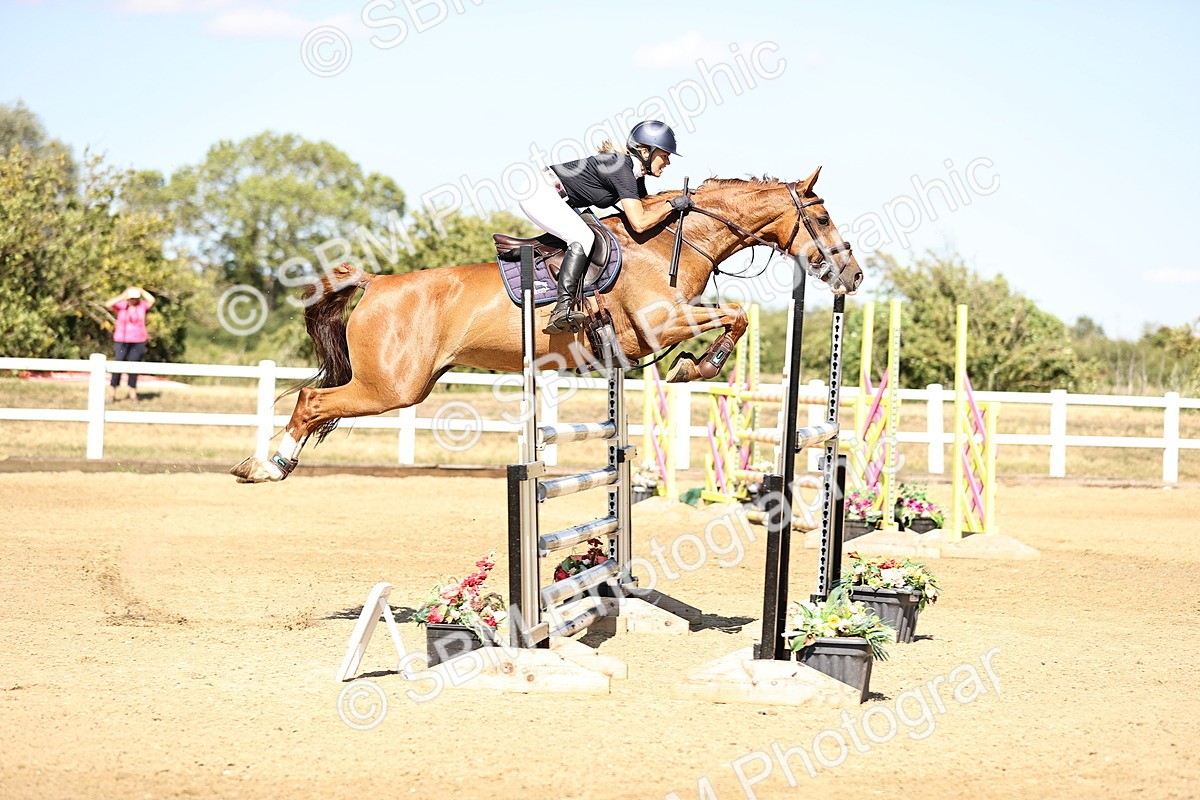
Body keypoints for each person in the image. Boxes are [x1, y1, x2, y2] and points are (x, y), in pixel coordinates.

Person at [520, 120, 693, 334]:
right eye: (665, 155)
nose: (668, 162)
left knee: (592, 234)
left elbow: (648, 212)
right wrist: (671, 204)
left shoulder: (633, 175)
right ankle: (561, 309)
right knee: (584, 237)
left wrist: (679, 206)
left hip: (558, 198)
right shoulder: (623, 167)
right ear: (646, 151)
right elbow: (639, 223)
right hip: (539, 193)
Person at [104, 286, 155, 402]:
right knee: (118, 365)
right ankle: (112, 393)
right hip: (121, 340)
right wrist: (123, 296)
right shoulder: (122, 306)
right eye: (131, 298)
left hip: (138, 340)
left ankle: (133, 393)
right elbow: (108, 304)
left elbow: (152, 301)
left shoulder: (142, 305)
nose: (133, 300)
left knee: (133, 366)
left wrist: (141, 291)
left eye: (135, 298)